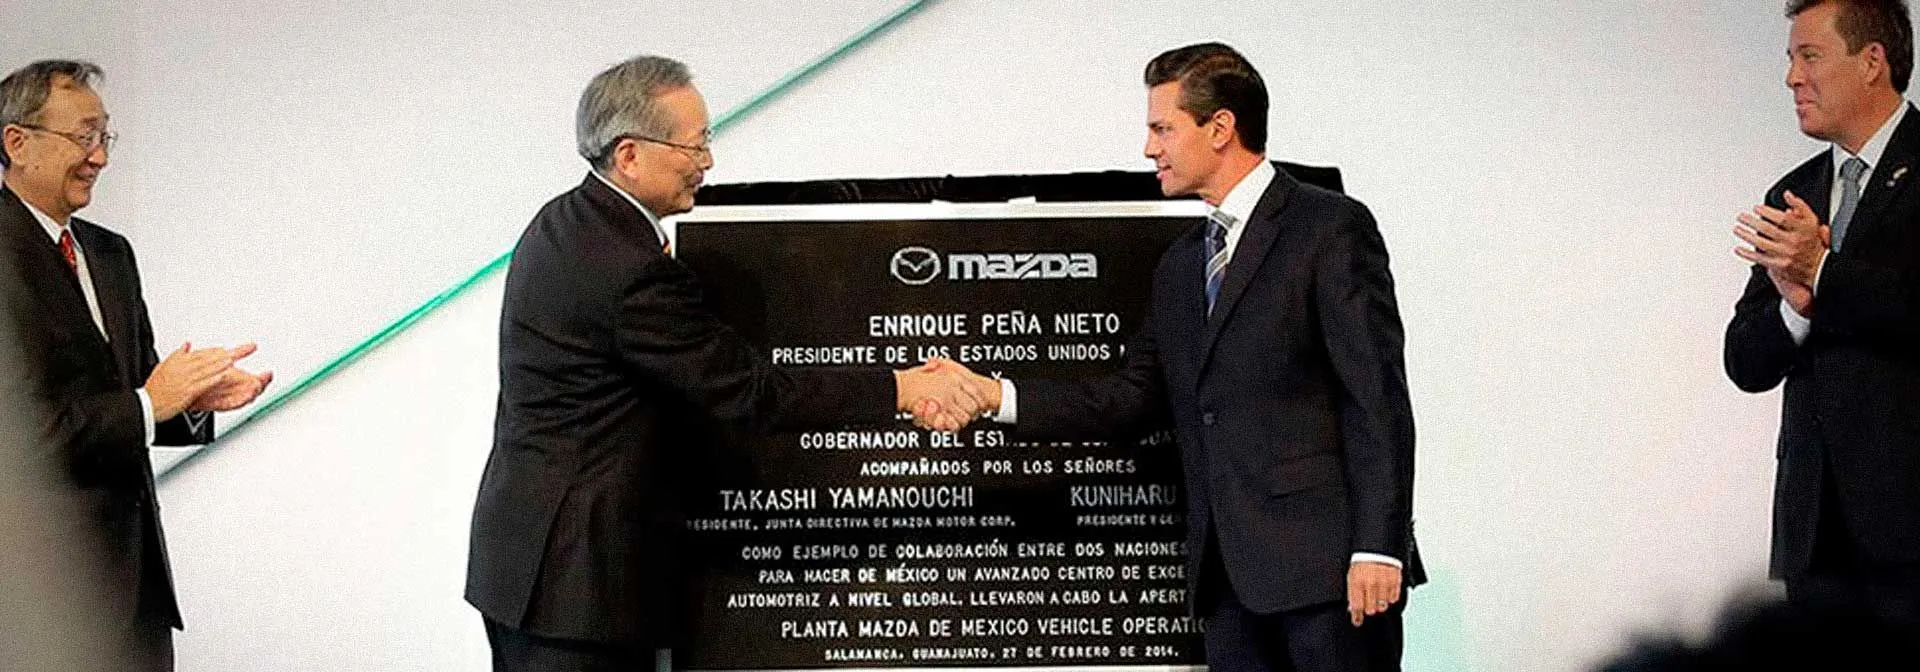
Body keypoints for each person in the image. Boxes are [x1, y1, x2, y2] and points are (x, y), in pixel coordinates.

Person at [463, 55, 980, 672]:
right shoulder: (630, 271)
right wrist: (902, 386)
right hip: (575, 588)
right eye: (695, 143)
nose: (707, 161)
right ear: (629, 155)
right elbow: (753, 393)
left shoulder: (565, 220)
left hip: (532, 563)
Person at [927, 42, 1423, 671]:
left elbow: (1376, 397)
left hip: (1331, 580)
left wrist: (1379, 548)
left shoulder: (1328, 228)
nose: (1148, 148)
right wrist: (993, 395)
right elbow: (1130, 399)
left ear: (1220, 128)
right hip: (1228, 589)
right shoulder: (1181, 264)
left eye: (1162, 128)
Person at [0, 59, 273, 671]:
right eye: (83, 137)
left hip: (137, 599)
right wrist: (153, 402)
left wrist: (192, 402)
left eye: (104, 138)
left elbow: (137, 395)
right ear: (16, 142)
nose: (98, 157)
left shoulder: (109, 253)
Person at [1725, 0, 1920, 635]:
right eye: (1790, 59)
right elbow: (1745, 361)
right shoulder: (1795, 193)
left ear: (1872, 62)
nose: (1791, 78)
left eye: (1809, 57)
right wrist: (1796, 307)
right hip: (1813, 541)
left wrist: (1824, 274)